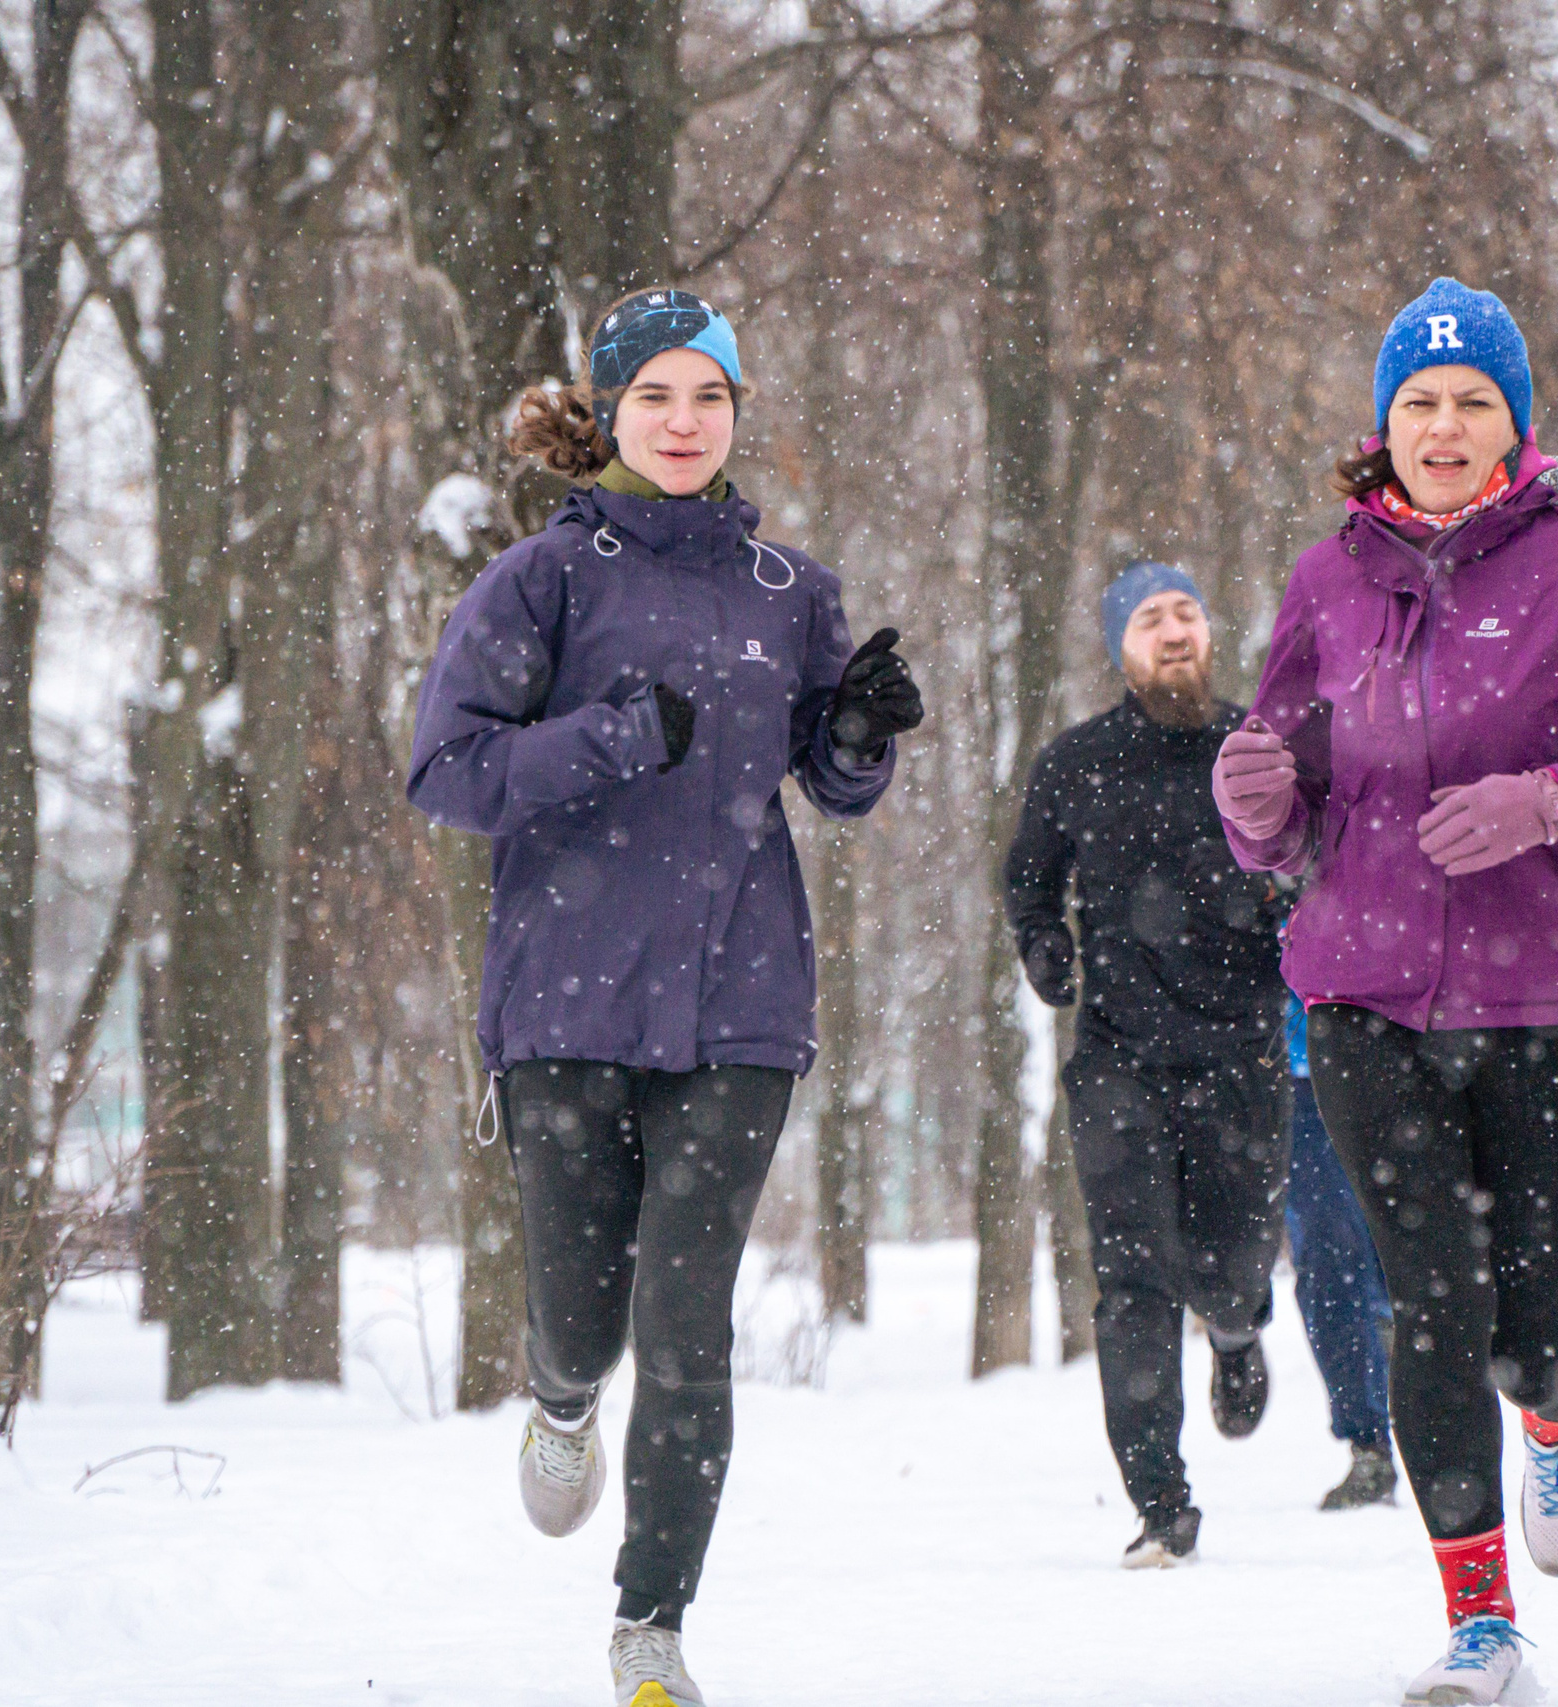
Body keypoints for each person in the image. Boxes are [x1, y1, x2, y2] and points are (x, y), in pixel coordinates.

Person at [1212, 278, 1558, 1705]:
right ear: (1382, 423)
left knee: (1527, 1333)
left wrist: (1550, 800)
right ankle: (1479, 1623)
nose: (1442, 426)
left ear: (1514, 424)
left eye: (1471, 402)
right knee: (1430, 1308)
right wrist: (1254, 806)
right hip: (1365, 999)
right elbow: (1286, 788)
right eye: (1418, 402)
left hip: (1544, 1003)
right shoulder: (1329, 582)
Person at [406, 288, 922, 1707]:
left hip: (739, 1001)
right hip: (566, 998)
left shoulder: (788, 590)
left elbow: (834, 785)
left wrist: (859, 731)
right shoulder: (540, 581)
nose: (685, 421)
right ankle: (561, 1395)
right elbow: (446, 770)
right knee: (587, 1316)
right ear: (611, 411)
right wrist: (610, 739)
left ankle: (652, 1627)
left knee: (688, 1322)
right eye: (656, 396)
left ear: (737, 413)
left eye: (710, 396)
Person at [1004, 561, 1291, 1569]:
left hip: (1242, 1054)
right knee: (1132, 1279)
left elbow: (1314, 863)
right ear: (1120, 649)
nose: (1172, 632)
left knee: (1229, 1266)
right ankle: (1161, 1501)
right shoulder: (1076, 762)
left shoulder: (1259, 751)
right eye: (1148, 620)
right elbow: (1029, 882)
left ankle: (1237, 1328)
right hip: (1119, 1058)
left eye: (1185, 613)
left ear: (1207, 634)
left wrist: (1295, 911)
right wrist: (1043, 945)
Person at [1282, 992, 1400, 1510]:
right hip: (1297, 1074)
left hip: (1396, 1055)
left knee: (1397, 1251)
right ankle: (1369, 1440)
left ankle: (1390, 1344)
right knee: (1330, 1258)